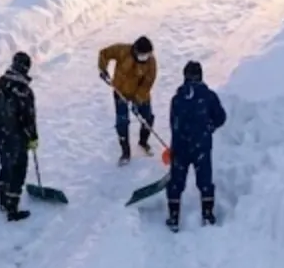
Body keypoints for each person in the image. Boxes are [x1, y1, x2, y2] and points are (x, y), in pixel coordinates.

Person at [166, 60, 227, 231]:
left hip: (180, 147)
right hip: (202, 146)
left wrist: (178, 140)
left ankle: (174, 217)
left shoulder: (177, 99)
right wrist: (209, 127)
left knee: (176, 183)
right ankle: (207, 214)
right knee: (205, 180)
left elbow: (173, 123)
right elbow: (221, 117)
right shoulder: (209, 96)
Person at [0, 51, 38, 221]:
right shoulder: (23, 90)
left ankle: (3, 201)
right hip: (16, 138)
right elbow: (29, 118)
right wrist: (32, 138)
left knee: (5, 166)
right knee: (18, 170)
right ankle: (12, 208)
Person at [97, 35, 157, 163]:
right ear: (135, 50)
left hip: (140, 95)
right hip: (121, 93)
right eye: (142, 55)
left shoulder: (151, 63)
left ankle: (143, 142)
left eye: (147, 55)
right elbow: (104, 53)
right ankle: (125, 152)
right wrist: (103, 69)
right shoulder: (123, 50)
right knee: (122, 123)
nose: (145, 58)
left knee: (148, 119)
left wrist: (138, 99)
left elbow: (148, 83)